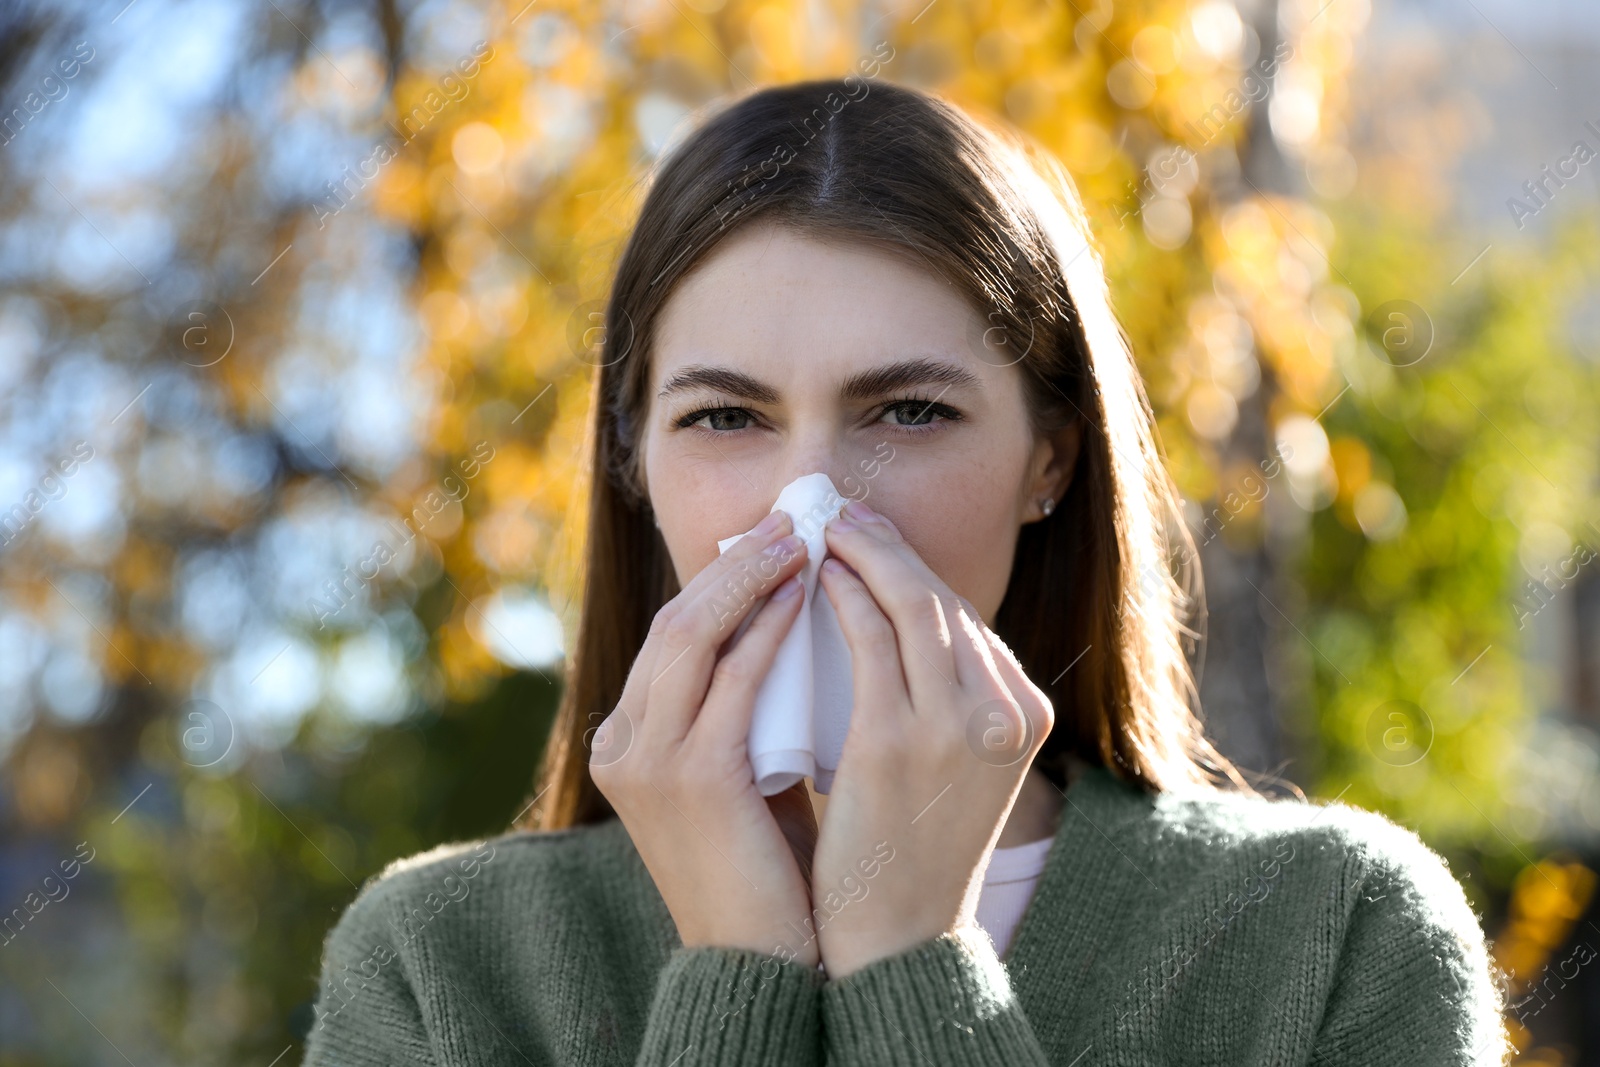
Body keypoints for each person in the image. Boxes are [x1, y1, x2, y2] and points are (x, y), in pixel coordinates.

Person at [302, 77, 1506, 1065]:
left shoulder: (1338, 933)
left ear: (1050, 460)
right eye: (726, 418)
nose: (810, 503)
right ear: (633, 464)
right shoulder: (439, 964)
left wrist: (911, 960)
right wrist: (736, 974)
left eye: (911, 411)